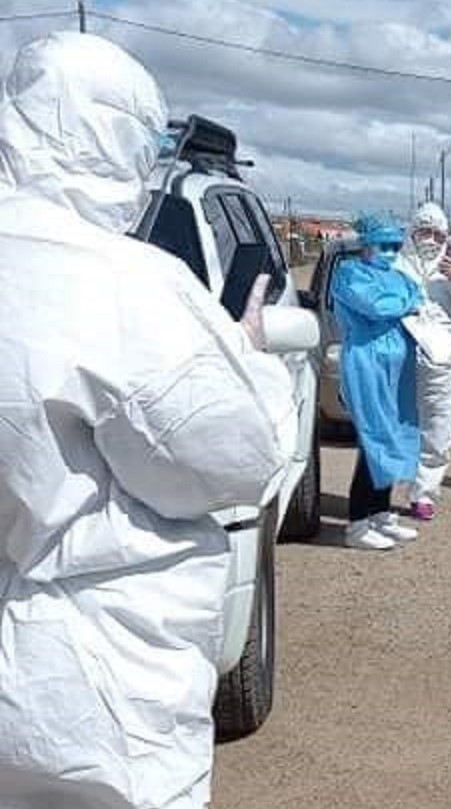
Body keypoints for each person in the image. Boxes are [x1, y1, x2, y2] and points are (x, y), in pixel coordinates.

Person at [0, 32, 295, 809]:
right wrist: (248, 356)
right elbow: (231, 456)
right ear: (117, 138)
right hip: (88, 684)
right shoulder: (123, 287)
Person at [333, 213, 423, 549]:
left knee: (397, 433)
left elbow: (418, 297)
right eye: (383, 245)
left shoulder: (399, 277)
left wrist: (408, 302)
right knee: (374, 438)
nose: (389, 251)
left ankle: (380, 514)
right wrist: (406, 303)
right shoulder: (349, 273)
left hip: (399, 365)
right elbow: (377, 306)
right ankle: (356, 525)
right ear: (366, 245)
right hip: (366, 362)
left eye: (395, 245)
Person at [395, 202, 451, 522]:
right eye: (424, 231)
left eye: (438, 233)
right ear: (412, 232)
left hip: (442, 359)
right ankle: (390, 487)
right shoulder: (396, 266)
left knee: (440, 428)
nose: (431, 239)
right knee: (400, 427)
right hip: (401, 359)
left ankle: (423, 493)